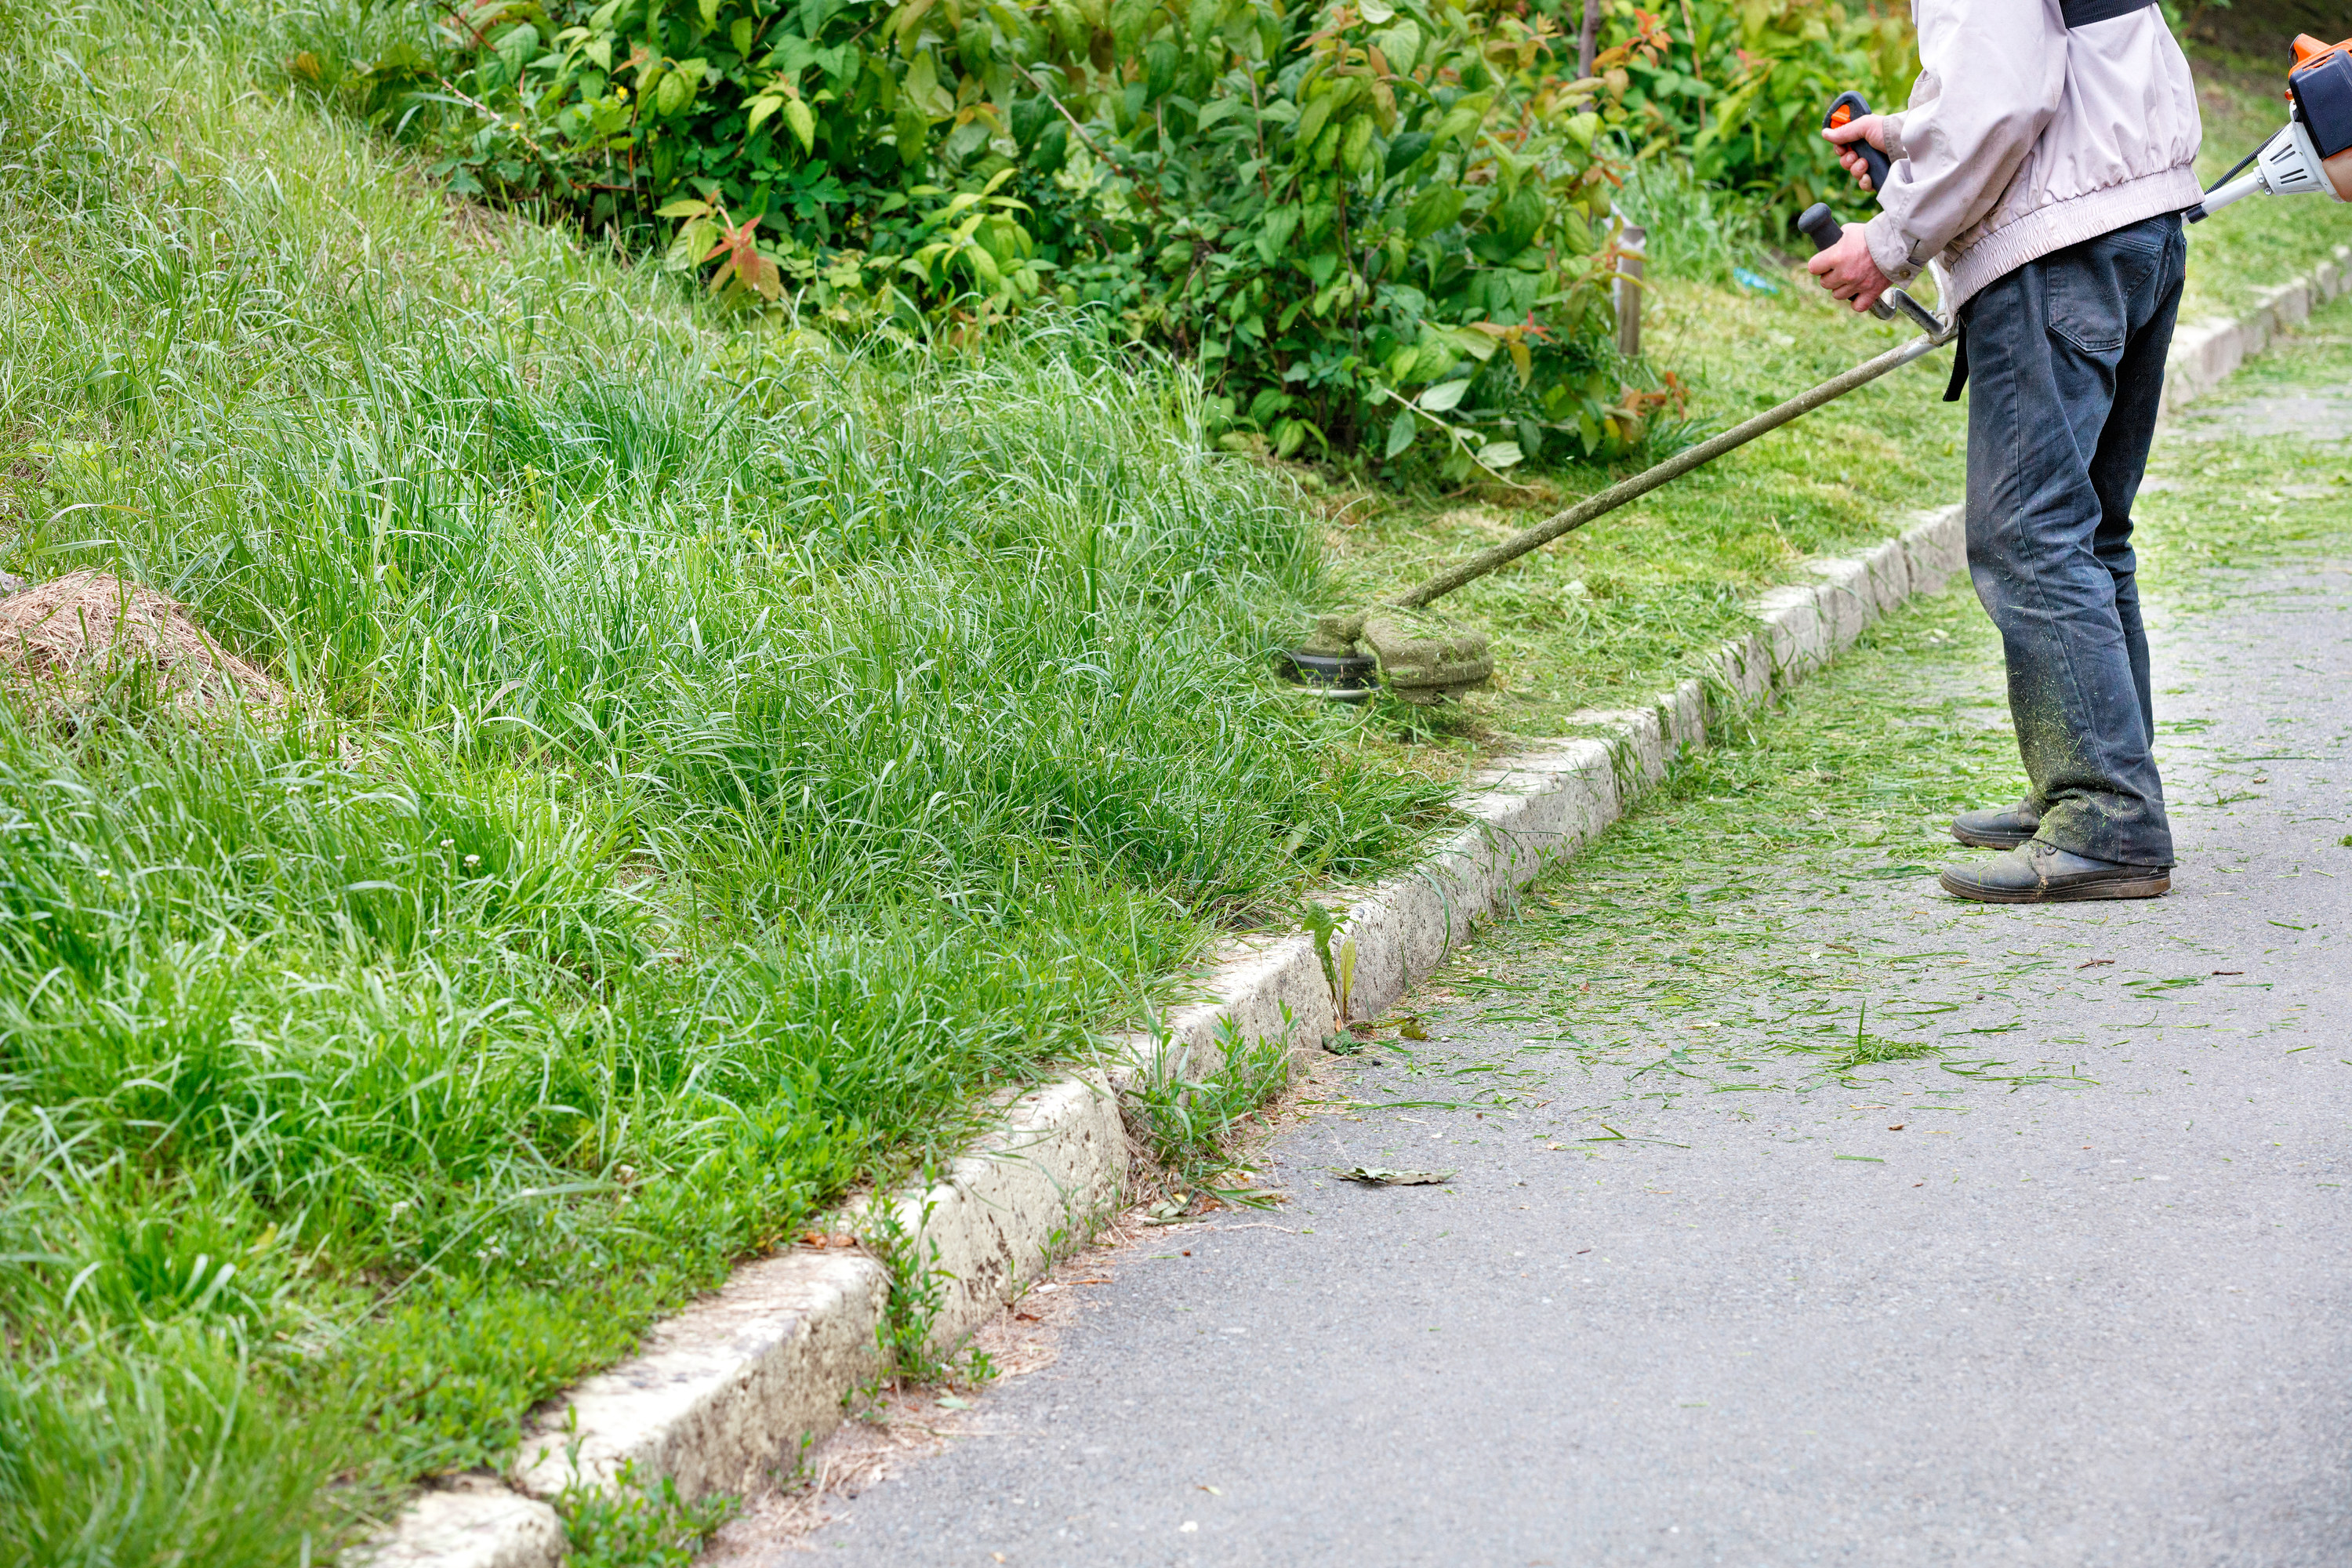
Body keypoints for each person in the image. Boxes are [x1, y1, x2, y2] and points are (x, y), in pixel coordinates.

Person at [1806, 0, 2203, 902]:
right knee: (2091, 531)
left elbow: (2005, 95)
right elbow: (2053, 62)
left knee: (2032, 534)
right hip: (2134, 220)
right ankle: (2100, 783)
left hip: (2059, 248)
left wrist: (1890, 238)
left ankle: (2108, 814)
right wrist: (1905, 135)